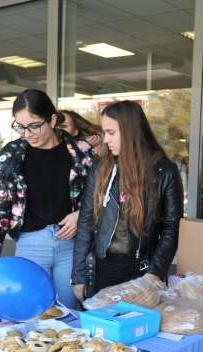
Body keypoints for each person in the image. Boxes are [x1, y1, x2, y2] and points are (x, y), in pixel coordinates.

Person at [0, 89, 95, 308]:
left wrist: (82, 215)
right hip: (31, 243)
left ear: (52, 120)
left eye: (34, 125)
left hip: (73, 244)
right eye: (20, 126)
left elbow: (102, 196)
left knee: (71, 310)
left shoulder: (81, 152)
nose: (27, 133)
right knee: (33, 309)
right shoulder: (10, 155)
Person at [71, 100, 183, 299]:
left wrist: (155, 272)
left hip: (143, 272)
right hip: (102, 269)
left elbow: (171, 228)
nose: (105, 140)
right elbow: (86, 221)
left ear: (130, 131)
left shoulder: (164, 171)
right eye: (105, 133)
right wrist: (78, 276)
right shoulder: (100, 168)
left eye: (111, 133)